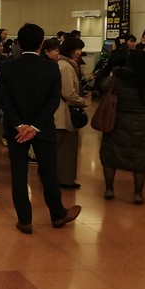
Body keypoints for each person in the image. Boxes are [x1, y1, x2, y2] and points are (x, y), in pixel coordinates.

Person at [0, 23, 82, 234]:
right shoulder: (50, 66)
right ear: (41, 43)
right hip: (43, 127)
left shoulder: (7, 66)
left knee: (19, 174)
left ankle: (25, 220)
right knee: (48, 172)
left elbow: (3, 99)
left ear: (19, 43)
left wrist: (20, 124)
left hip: (15, 129)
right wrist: (35, 125)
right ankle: (57, 214)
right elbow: (53, 99)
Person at [99, 49, 145, 204]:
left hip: (118, 120)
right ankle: (138, 194)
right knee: (141, 159)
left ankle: (109, 189)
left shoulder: (119, 76)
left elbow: (104, 86)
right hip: (143, 122)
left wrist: (112, 75)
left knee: (110, 156)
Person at [54, 38, 88, 189]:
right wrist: (82, 101)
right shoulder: (66, 67)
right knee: (66, 150)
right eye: (77, 49)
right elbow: (68, 92)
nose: (79, 53)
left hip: (58, 112)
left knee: (59, 149)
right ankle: (65, 179)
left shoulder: (59, 64)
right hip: (64, 113)